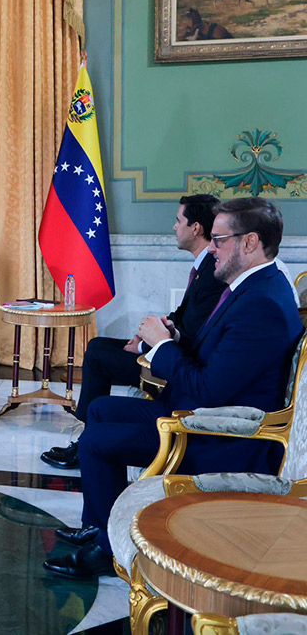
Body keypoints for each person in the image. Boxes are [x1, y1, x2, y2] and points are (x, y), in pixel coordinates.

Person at [44, 198, 302, 579]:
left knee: (96, 442)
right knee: (99, 410)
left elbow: (208, 389)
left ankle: (109, 551)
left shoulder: (262, 304)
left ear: (250, 242)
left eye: (219, 240)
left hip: (221, 437)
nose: (212, 249)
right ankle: (99, 527)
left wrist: (164, 346)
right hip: (200, 412)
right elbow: (218, 355)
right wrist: (176, 337)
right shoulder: (254, 287)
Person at [41, 195, 227, 469]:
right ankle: (86, 437)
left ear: (196, 228)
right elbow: (184, 317)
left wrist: (144, 347)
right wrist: (147, 333)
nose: (174, 227)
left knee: (98, 356)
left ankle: (85, 444)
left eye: (178, 221)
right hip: (171, 351)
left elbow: (194, 332)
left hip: (176, 364)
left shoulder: (212, 271)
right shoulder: (205, 267)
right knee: (98, 346)